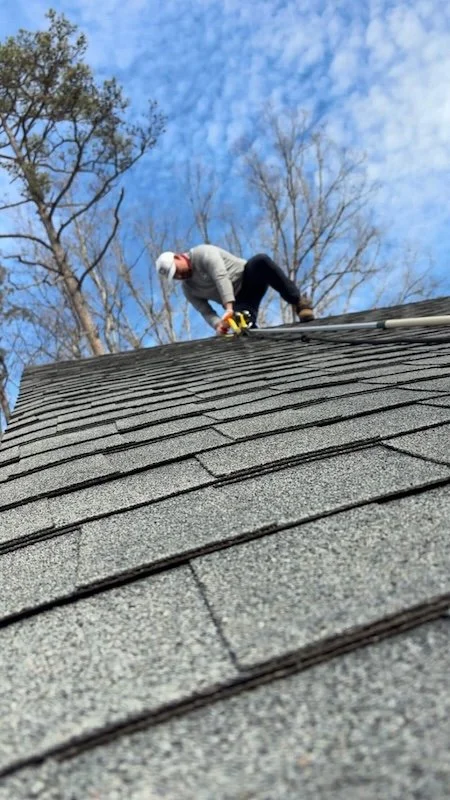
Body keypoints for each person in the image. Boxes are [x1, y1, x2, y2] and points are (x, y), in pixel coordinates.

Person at [155, 244, 314, 334]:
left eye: (177, 270)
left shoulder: (203, 253)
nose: (179, 276)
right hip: (241, 302)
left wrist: (228, 307)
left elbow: (220, 275)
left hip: (249, 277)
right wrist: (218, 325)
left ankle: (299, 302)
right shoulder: (188, 289)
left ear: (177, 257)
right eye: (174, 276)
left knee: (261, 261)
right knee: (244, 329)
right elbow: (206, 311)